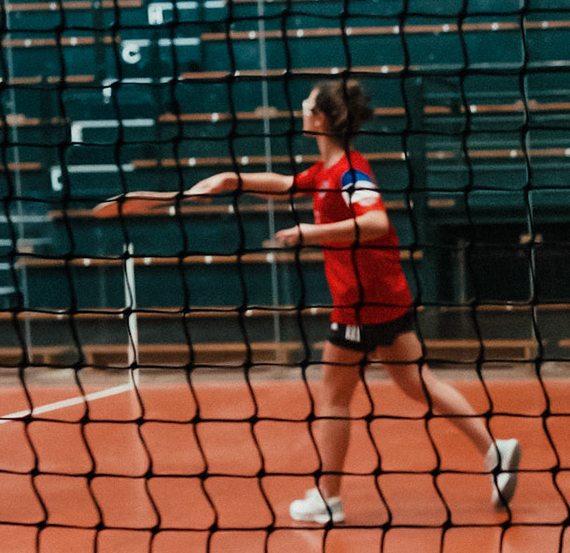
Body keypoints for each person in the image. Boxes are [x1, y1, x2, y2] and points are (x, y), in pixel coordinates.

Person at [184, 76, 519, 524]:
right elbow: (286, 184)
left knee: (334, 396)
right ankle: (495, 452)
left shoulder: (351, 172)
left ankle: (328, 500)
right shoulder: (329, 170)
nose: (302, 107)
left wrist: (309, 234)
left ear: (320, 118)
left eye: (308, 104)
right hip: (383, 294)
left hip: (363, 301)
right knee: (416, 383)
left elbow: (376, 222)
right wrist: (232, 179)